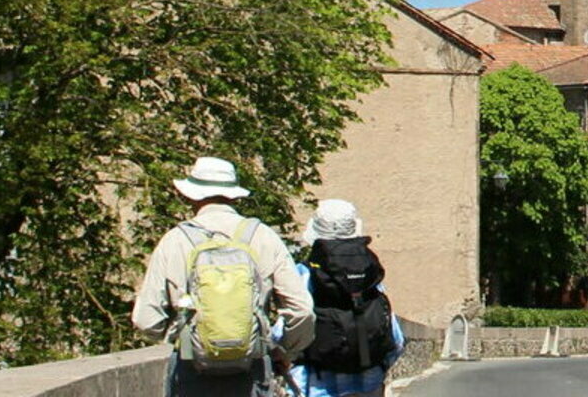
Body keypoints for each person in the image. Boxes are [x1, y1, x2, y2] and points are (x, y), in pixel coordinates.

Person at [132, 156, 314, 396]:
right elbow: (302, 310)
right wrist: (282, 350)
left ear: (191, 195)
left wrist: (184, 336)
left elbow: (145, 319)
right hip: (253, 371)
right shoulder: (263, 236)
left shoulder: (175, 241)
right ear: (234, 195)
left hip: (191, 373)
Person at [290, 200, 405, 397]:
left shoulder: (304, 274)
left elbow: (291, 326)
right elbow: (395, 338)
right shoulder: (369, 277)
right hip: (369, 384)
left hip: (318, 385)